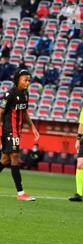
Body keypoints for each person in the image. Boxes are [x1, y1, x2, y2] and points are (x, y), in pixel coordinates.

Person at [0, 69, 40, 201]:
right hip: (8, 130)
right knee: (15, 156)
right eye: (25, 80)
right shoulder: (9, 94)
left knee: (5, 160)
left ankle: (21, 193)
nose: (28, 83)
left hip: (18, 130)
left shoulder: (25, 94)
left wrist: (33, 127)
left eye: (29, 80)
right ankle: (21, 193)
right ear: (18, 80)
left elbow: (24, 112)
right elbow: (0, 112)